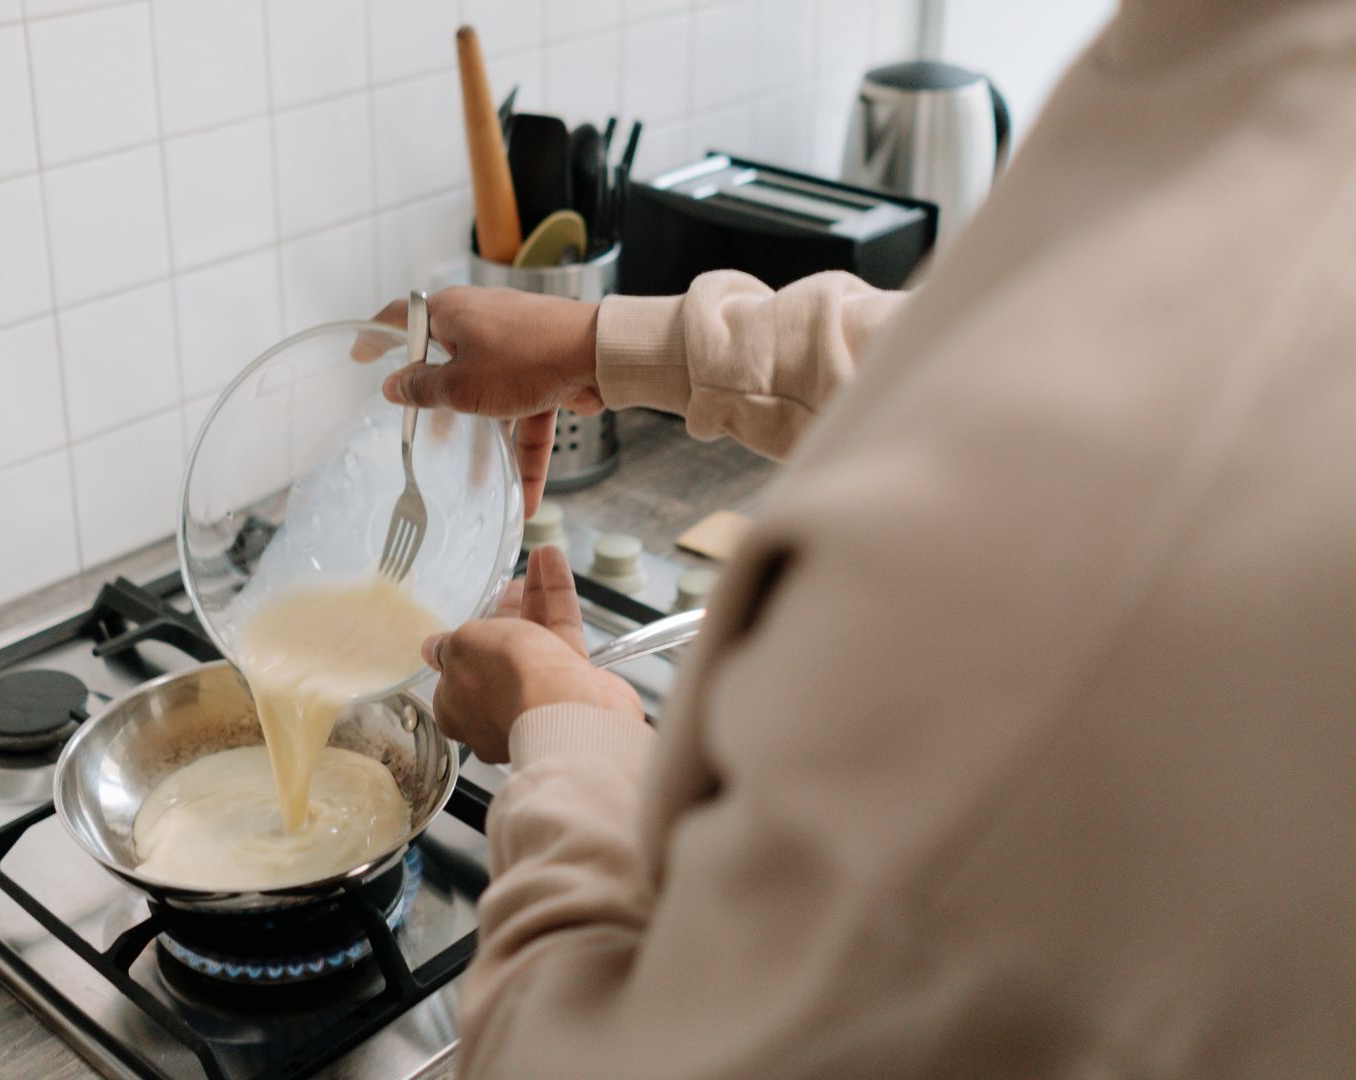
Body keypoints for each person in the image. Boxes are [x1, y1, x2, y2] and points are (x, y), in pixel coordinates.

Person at [365, 1, 1356, 1076]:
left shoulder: (1128, 548)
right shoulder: (1248, 86)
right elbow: (1017, 365)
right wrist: (607, 341)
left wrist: (572, 720)